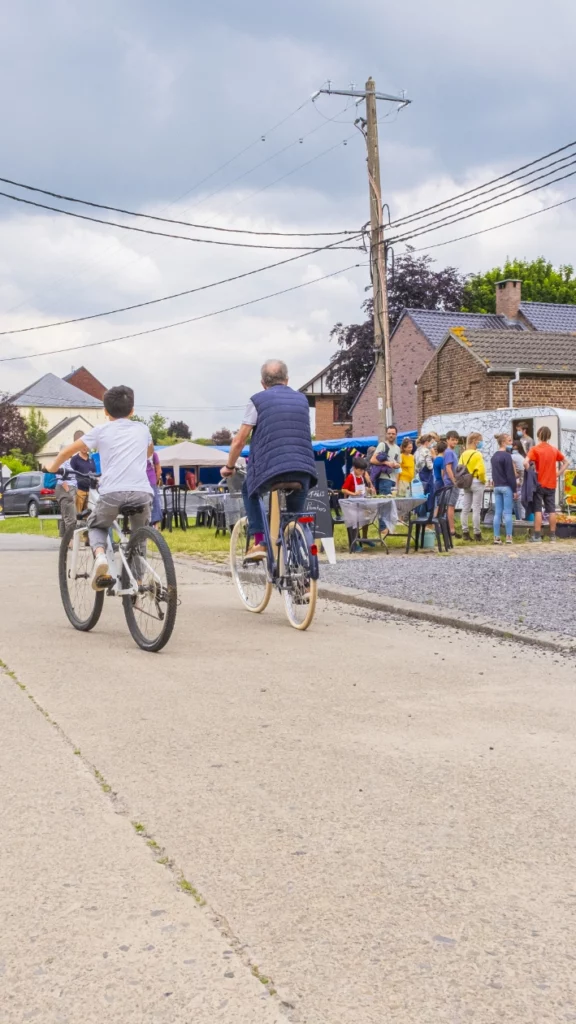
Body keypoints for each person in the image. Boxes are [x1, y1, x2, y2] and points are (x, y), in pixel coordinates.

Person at [49, 385, 154, 588]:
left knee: (96, 524)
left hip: (113, 492)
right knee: (139, 536)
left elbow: (65, 453)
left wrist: (51, 468)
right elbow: (149, 452)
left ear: (105, 411)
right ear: (132, 410)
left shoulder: (101, 431)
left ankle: (100, 557)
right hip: (142, 492)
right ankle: (138, 584)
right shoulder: (143, 429)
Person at [221, 359, 317, 561]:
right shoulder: (302, 400)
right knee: (295, 518)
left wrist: (229, 466)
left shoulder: (257, 401)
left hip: (271, 471)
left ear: (263, 383)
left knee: (248, 490)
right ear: (287, 380)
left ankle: (261, 541)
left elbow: (239, 440)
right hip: (304, 469)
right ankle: (302, 569)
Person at [525, 425, 567, 542]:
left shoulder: (535, 449)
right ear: (549, 436)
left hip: (539, 483)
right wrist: (557, 474)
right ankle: (552, 536)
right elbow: (566, 462)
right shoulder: (554, 450)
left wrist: (530, 473)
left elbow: (525, 462)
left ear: (538, 436)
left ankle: (537, 536)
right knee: (551, 510)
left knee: (538, 509)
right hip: (551, 483)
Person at [342, 456, 376, 550]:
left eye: (363, 470)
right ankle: (354, 543)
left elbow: (361, 488)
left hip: (361, 502)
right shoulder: (350, 477)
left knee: (366, 518)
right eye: (360, 470)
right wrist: (354, 493)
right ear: (354, 468)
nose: (362, 472)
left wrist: (368, 489)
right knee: (354, 523)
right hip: (352, 504)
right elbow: (343, 489)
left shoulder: (361, 476)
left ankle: (364, 538)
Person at [458, 432, 486, 542]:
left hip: (466, 482)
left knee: (465, 508)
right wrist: (483, 480)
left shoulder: (463, 454)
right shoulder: (477, 454)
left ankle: (465, 532)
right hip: (477, 481)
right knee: (476, 509)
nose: (481, 443)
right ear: (475, 441)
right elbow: (481, 471)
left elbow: (459, 468)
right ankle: (477, 533)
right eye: (480, 440)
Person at [491, 433, 517, 544]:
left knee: (497, 513)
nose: (511, 443)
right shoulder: (507, 456)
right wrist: (514, 490)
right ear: (503, 442)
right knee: (507, 513)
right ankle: (509, 537)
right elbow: (510, 475)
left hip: (497, 487)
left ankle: (496, 537)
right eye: (509, 441)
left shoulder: (494, 456)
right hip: (506, 487)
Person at [69, 431, 98, 514]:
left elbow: (95, 473)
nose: (85, 448)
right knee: (78, 513)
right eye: (83, 446)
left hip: (91, 490)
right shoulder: (75, 459)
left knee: (90, 513)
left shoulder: (91, 459)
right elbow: (71, 475)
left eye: (86, 445)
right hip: (80, 490)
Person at [369, 425, 401, 496]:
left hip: (394, 480)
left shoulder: (397, 448)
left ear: (396, 435)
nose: (391, 435)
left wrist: (396, 465)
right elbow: (372, 460)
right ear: (386, 434)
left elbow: (399, 464)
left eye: (393, 434)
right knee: (386, 502)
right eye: (389, 433)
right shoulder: (382, 445)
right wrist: (386, 463)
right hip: (384, 479)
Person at [443, 430, 460, 538]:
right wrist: (454, 481)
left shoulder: (452, 452)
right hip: (451, 483)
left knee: (450, 506)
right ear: (447, 440)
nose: (455, 442)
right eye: (452, 440)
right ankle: (452, 530)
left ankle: (449, 529)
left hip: (450, 482)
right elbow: (448, 468)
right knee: (451, 506)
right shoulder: (449, 452)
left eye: (456, 440)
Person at [146, 449, 163, 529]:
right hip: (151, 481)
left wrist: (155, 480)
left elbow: (159, 470)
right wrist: (155, 480)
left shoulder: (138, 453)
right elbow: (159, 470)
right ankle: (155, 527)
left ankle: (153, 526)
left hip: (143, 481)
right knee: (155, 503)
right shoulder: (153, 454)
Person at [511, 440, 526, 520]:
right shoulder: (522, 456)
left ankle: (519, 519)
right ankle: (522, 517)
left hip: (517, 479)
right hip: (523, 479)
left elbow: (515, 473)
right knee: (520, 499)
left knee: (516, 500)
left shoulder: (512, 456)